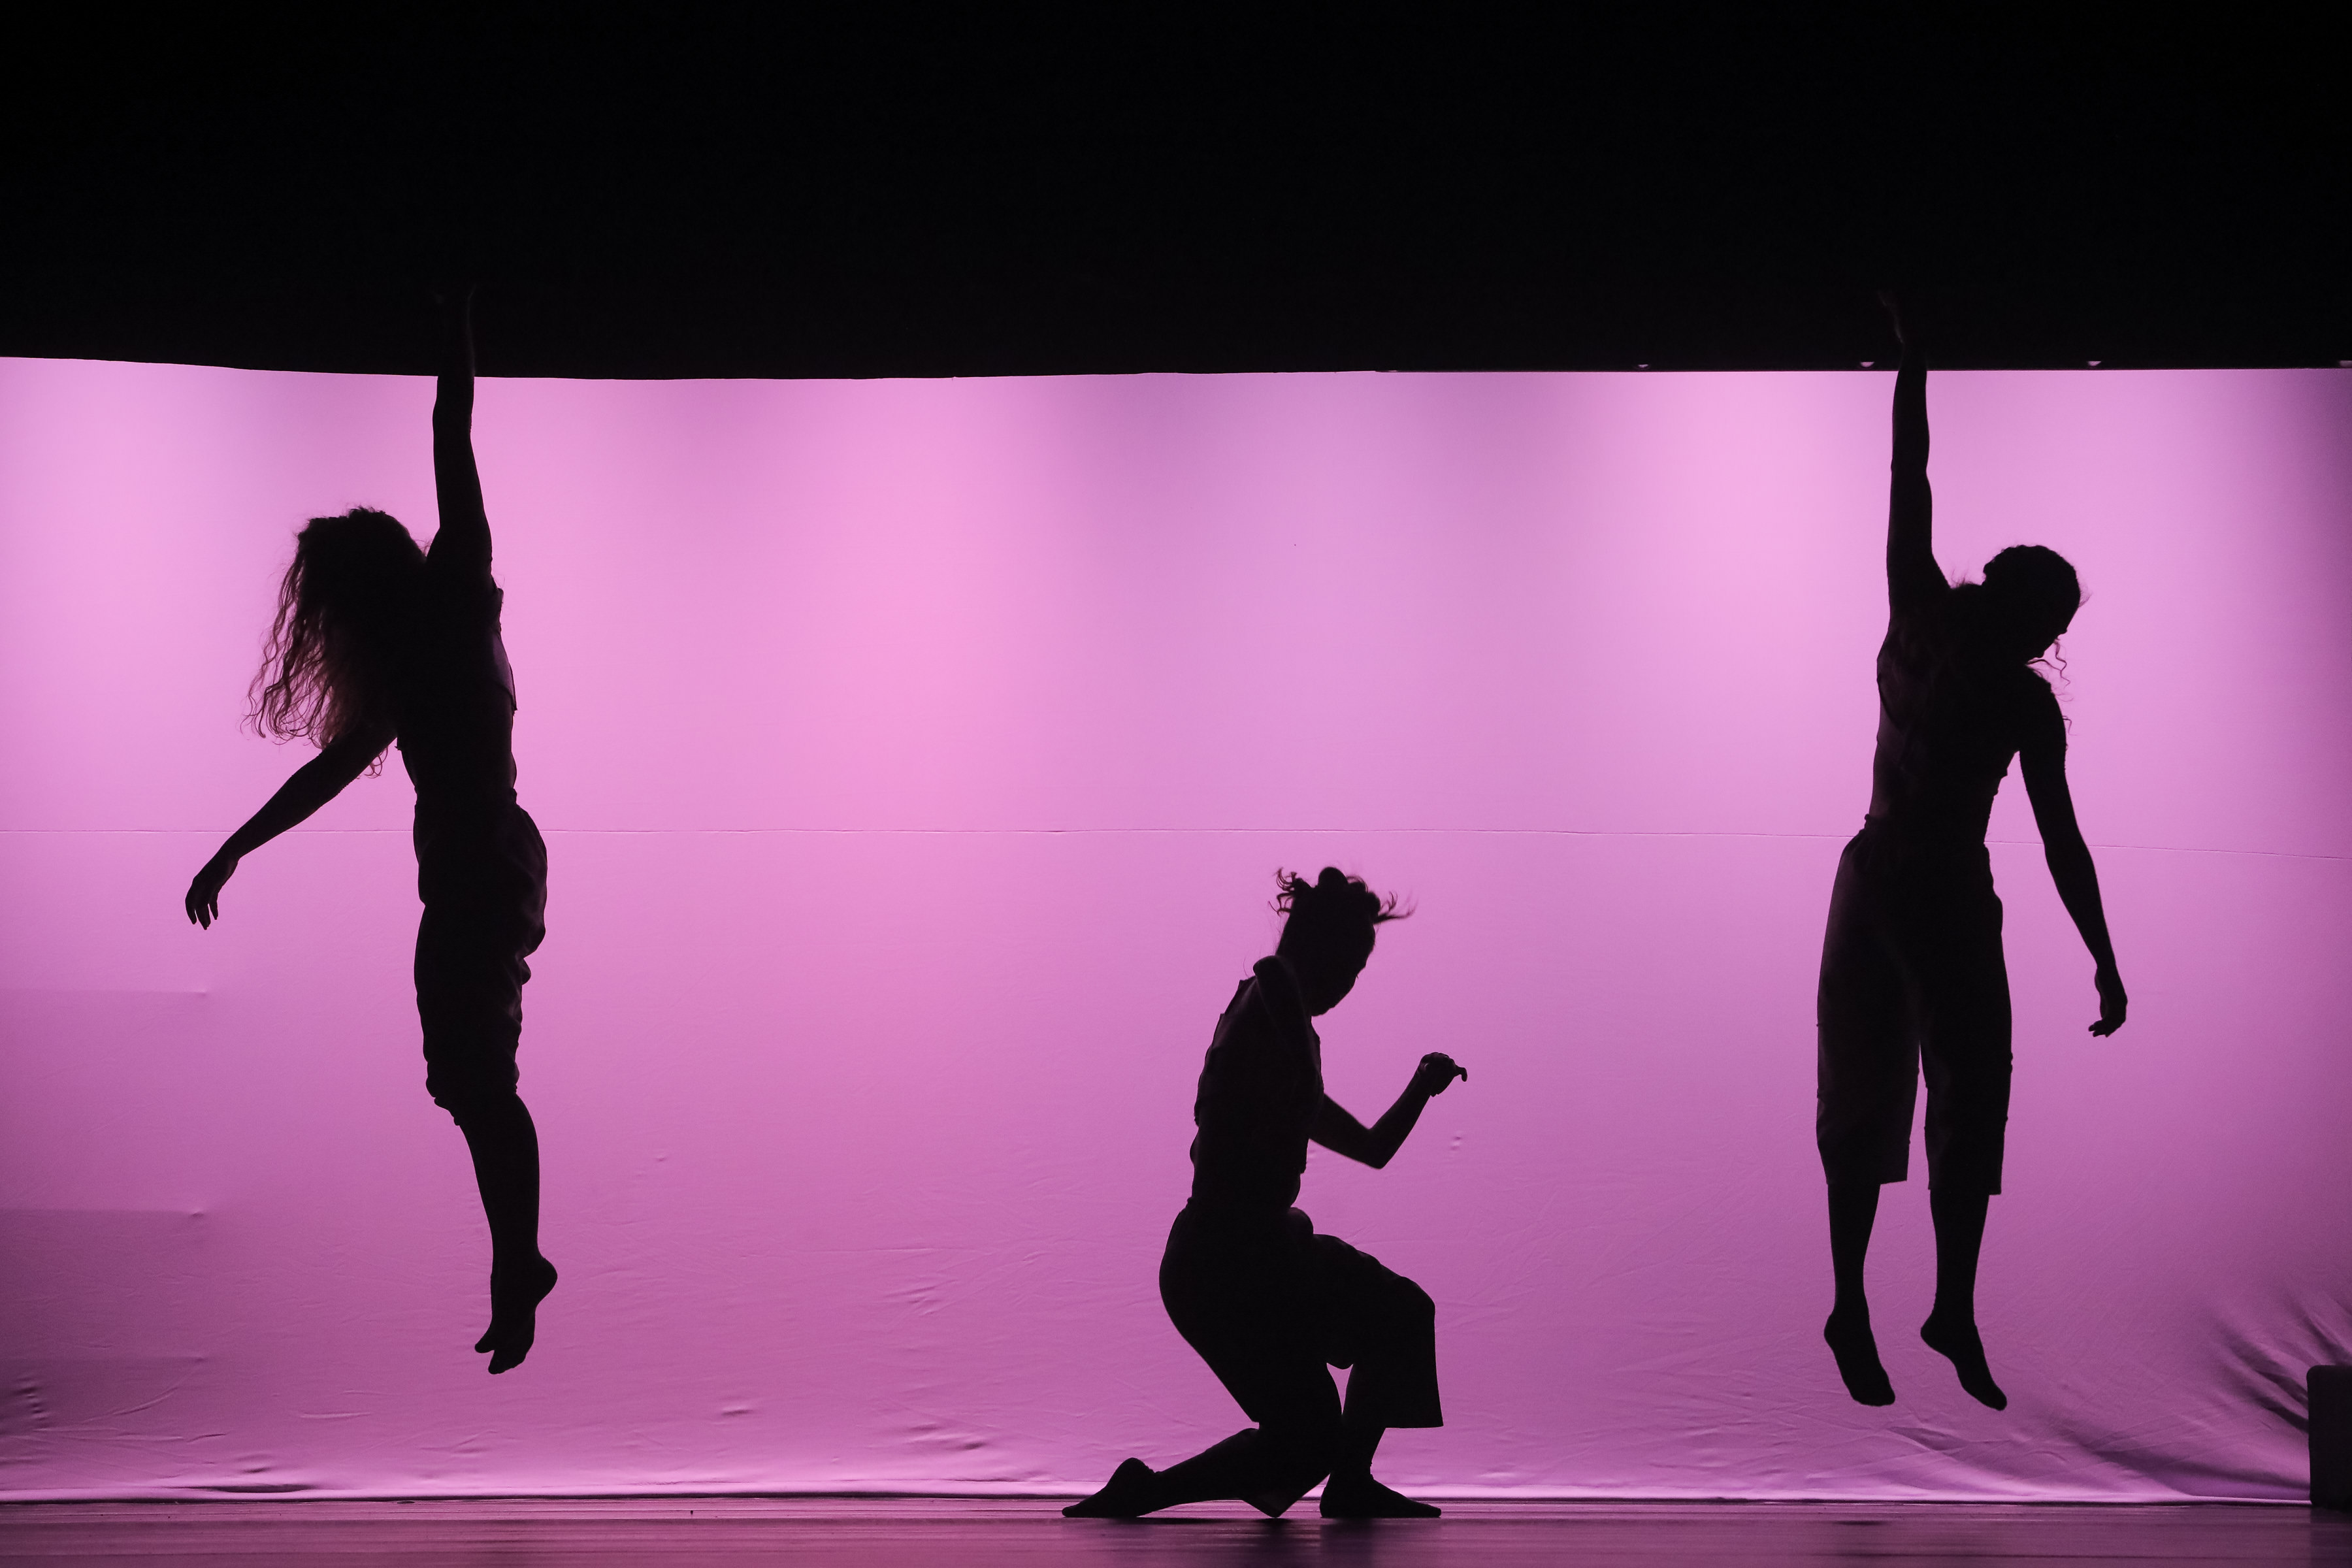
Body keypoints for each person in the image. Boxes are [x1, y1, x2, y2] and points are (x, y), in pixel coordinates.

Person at [185, 289, 556, 1374]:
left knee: (479, 1083)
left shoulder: (456, 600)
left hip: (483, 861)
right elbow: (328, 774)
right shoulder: (415, 661)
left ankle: (519, 1259)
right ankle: (517, 1255)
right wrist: (235, 846)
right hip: (479, 865)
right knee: (466, 1079)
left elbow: (454, 434)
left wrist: (456, 324)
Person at [1817, 297, 2127, 1411]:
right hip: (1937, 884)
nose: (2054, 645)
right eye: (2055, 626)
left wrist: (1914, 365)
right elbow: (2060, 842)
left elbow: (1911, 479)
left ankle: (1876, 1300)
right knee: (1956, 1093)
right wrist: (2103, 954)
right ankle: (1925, 1301)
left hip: (1880, 874)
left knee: (1880, 1092)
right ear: (2031, 611)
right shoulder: (2012, 692)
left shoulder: (1929, 623)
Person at [1066, 868, 1467, 1520]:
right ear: (1317, 949)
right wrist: (1294, 957)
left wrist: (1421, 1086)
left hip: (1255, 1255)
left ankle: (1338, 1483)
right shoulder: (1269, 1002)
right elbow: (1276, 976)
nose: (1350, 984)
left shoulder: (1285, 1045)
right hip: (1224, 1264)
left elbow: (1371, 1149)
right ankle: (1157, 1490)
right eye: (1350, 963)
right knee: (1315, 1428)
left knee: (1378, 1340)